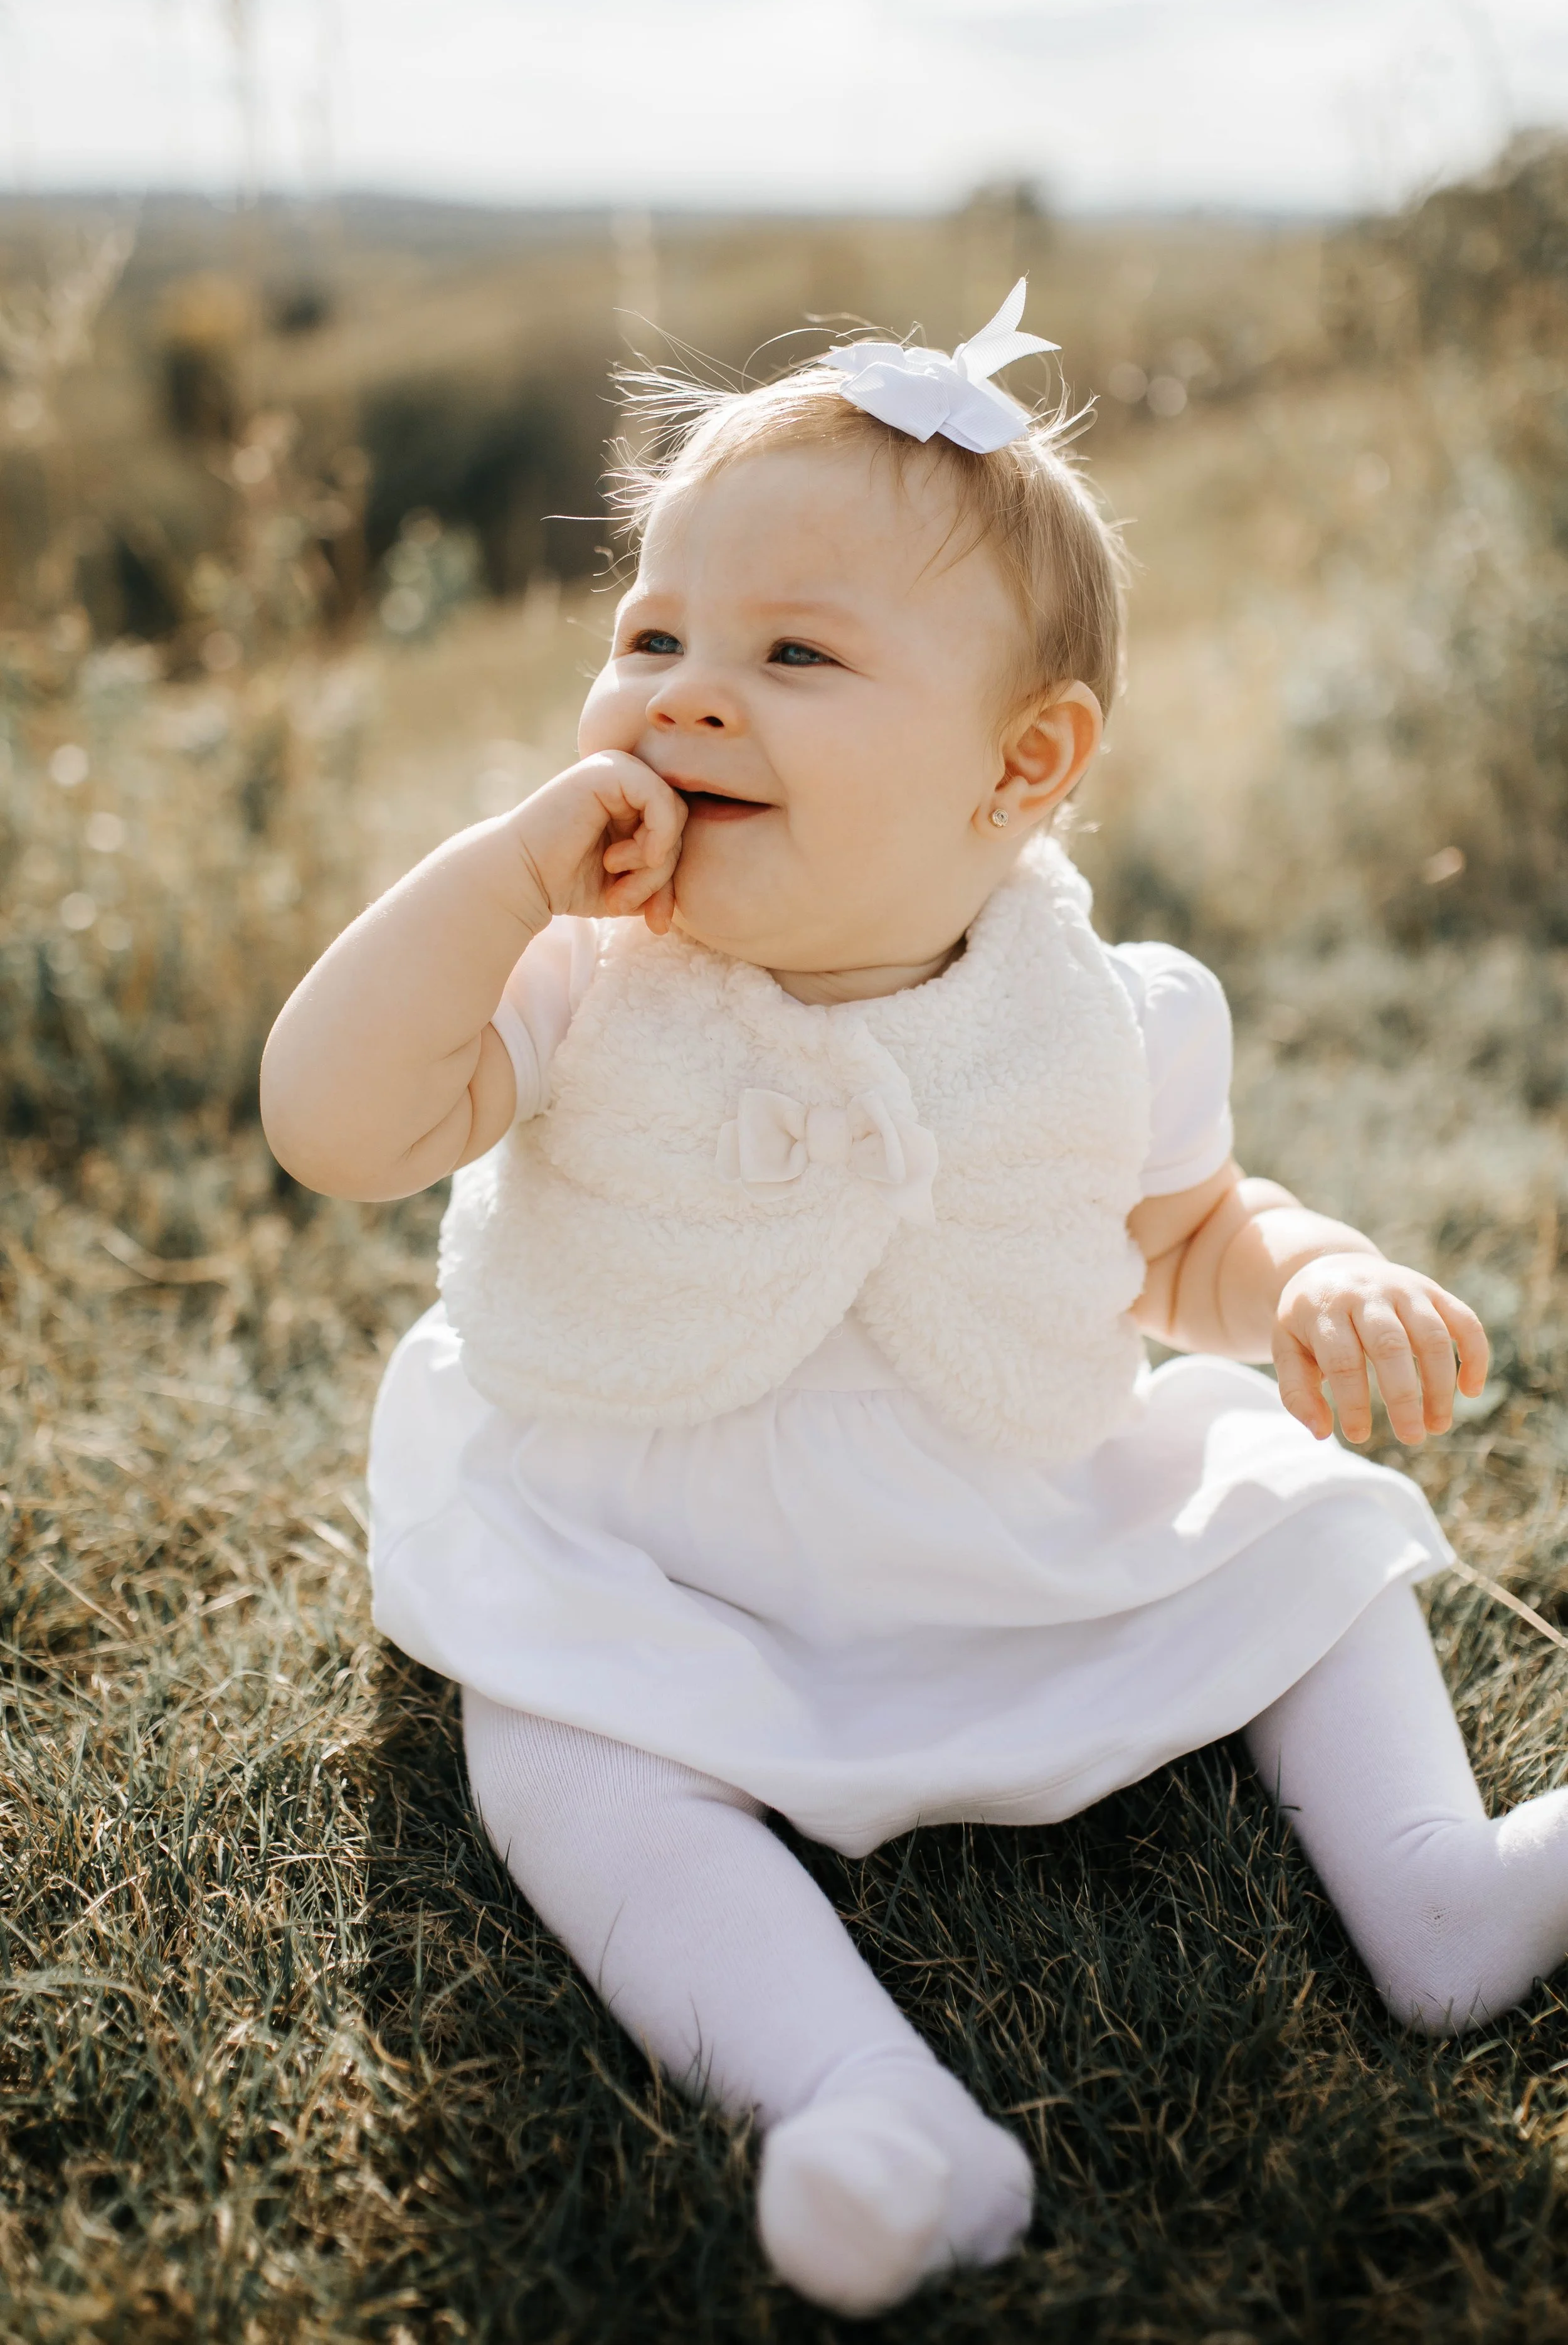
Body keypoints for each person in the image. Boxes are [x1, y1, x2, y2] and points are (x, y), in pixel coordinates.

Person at [260, 286, 1564, 2321]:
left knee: (1297, 1538)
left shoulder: (1100, 1013)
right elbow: (334, 1122)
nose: (686, 694)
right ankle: (868, 2108)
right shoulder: (579, 981)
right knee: (567, 1757)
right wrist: (496, 881)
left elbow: (1180, 1235)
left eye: (792, 652)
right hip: (650, 1560)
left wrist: (1298, 1277)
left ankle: (1447, 1893)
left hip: (998, 1506)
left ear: (1021, 765)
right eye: (651, 634)